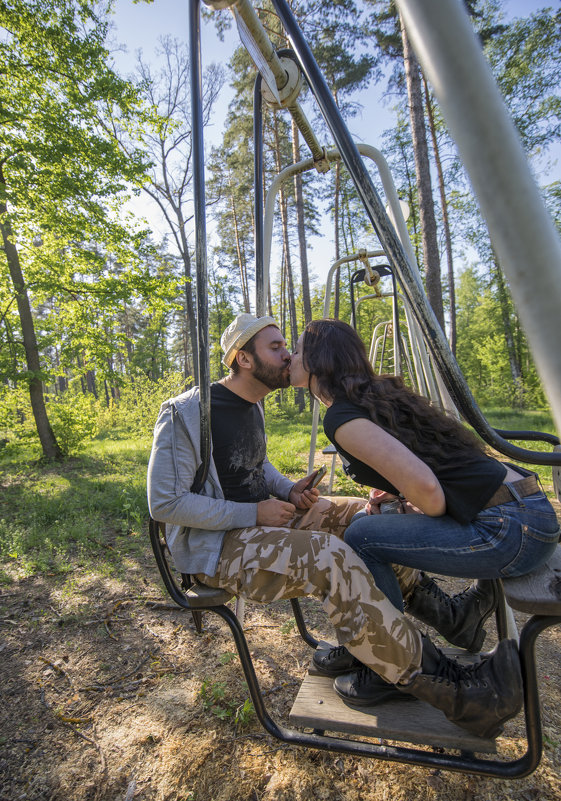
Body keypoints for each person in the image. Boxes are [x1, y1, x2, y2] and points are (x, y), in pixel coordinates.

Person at [289, 318, 560, 733]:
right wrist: (400, 495)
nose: (290, 356)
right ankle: (441, 624)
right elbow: (433, 467)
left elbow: (431, 494)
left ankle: (388, 665)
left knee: (363, 533)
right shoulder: (375, 394)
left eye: (296, 349)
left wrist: (411, 502)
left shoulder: (342, 418)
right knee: (371, 521)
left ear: (316, 362)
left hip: (509, 530)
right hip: (529, 509)